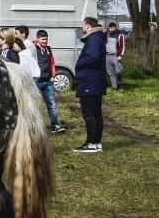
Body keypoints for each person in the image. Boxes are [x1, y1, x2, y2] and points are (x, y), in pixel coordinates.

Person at [73, 17, 108, 153]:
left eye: (83, 26)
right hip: (95, 81)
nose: (82, 28)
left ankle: (91, 142)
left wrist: (80, 63)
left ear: (88, 26)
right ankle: (97, 142)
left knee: (90, 114)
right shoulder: (98, 38)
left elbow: (93, 57)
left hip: (90, 81)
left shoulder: (93, 39)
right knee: (96, 112)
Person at [33, 29, 66, 133]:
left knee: (51, 104)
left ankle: (55, 125)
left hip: (48, 82)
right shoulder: (33, 49)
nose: (45, 41)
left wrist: (53, 76)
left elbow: (52, 63)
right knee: (34, 105)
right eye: (42, 39)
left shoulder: (49, 49)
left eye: (46, 39)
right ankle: (34, 127)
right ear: (37, 39)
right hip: (36, 81)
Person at [105, 22, 126, 90]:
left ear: (115, 27)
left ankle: (120, 85)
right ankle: (114, 87)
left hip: (115, 56)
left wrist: (120, 55)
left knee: (118, 71)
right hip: (107, 55)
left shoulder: (120, 35)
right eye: (110, 28)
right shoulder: (106, 34)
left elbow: (122, 46)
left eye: (112, 28)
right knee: (111, 73)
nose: (111, 29)